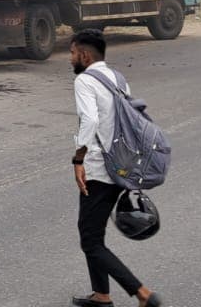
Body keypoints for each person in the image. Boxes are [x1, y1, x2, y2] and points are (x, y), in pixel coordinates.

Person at [70, 29, 164, 307]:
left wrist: (78, 159)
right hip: (121, 165)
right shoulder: (117, 78)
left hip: (99, 169)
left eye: (73, 53)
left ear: (85, 55)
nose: (71, 59)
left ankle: (142, 294)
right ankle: (101, 295)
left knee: (90, 240)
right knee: (93, 233)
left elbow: (89, 122)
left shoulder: (85, 81)